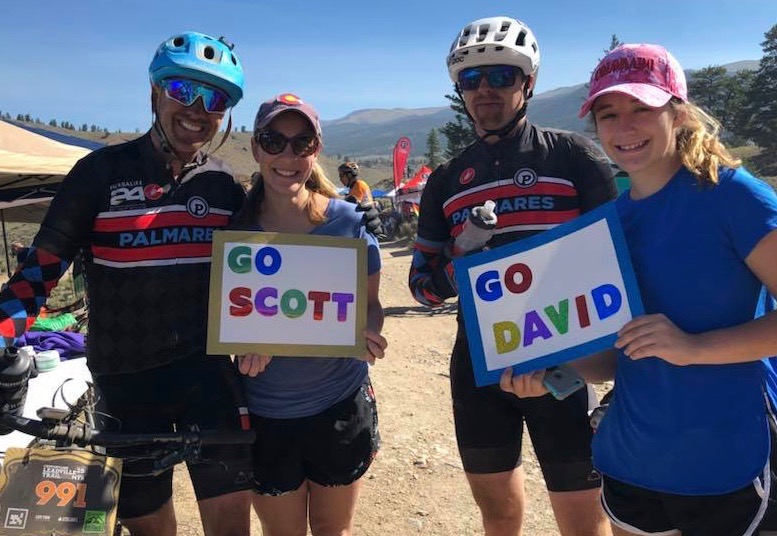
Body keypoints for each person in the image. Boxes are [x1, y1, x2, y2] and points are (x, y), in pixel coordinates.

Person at [502, 43, 777, 536]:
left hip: (728, 461)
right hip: (631, 463)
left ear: (679, 112)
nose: (623, 128)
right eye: (608, 115)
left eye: (641, 109)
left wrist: (693, 348)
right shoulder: (605, 226)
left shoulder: (733, 196)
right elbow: (609, 363)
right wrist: (552, 364)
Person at [0, 31, 255, 536]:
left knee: (231, 527)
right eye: (185, 90)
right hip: (125, 381)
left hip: (208, 377)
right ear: (155, 92)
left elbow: (259, 280)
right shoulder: (97, 173)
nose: (199, 109)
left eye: (216, 98)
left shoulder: (225, 185)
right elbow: (40, 269)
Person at [408, 15, 617, 536]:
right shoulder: (447, 179)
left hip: (566, 362)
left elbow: (618, 260)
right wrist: (461, 263)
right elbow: (421, 286)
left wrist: (586, 362)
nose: (485, 90)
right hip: (479, 365)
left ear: (528, 82)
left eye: (501, 75)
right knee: (498, 514)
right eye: (470, 79)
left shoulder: (574, 158)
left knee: (581, 520)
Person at [235, 93, 388, 536]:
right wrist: (243, 343)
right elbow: (227, 319)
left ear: (314, 151)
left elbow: (371, 304)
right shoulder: (235, 235)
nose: (287, 155)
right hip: (266, 413)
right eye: (273, 141)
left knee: (330, 531)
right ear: (256, 147)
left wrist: (367, 331)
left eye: (301, 144)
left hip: (338, 405)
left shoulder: (348, 224)